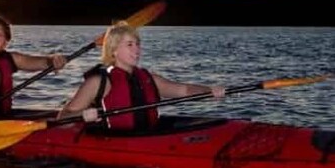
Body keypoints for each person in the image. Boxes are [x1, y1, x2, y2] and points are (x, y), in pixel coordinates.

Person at [58, 21, 225, 130]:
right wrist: (82, 115)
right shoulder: (99, 81)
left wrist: (209, 90)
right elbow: (62, 118)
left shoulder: (148, 78)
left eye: (138, 44)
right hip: (114, 144)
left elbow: (184, 90)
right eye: (129, 44)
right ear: (114, 50)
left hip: (147, 137)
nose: (137, 49)